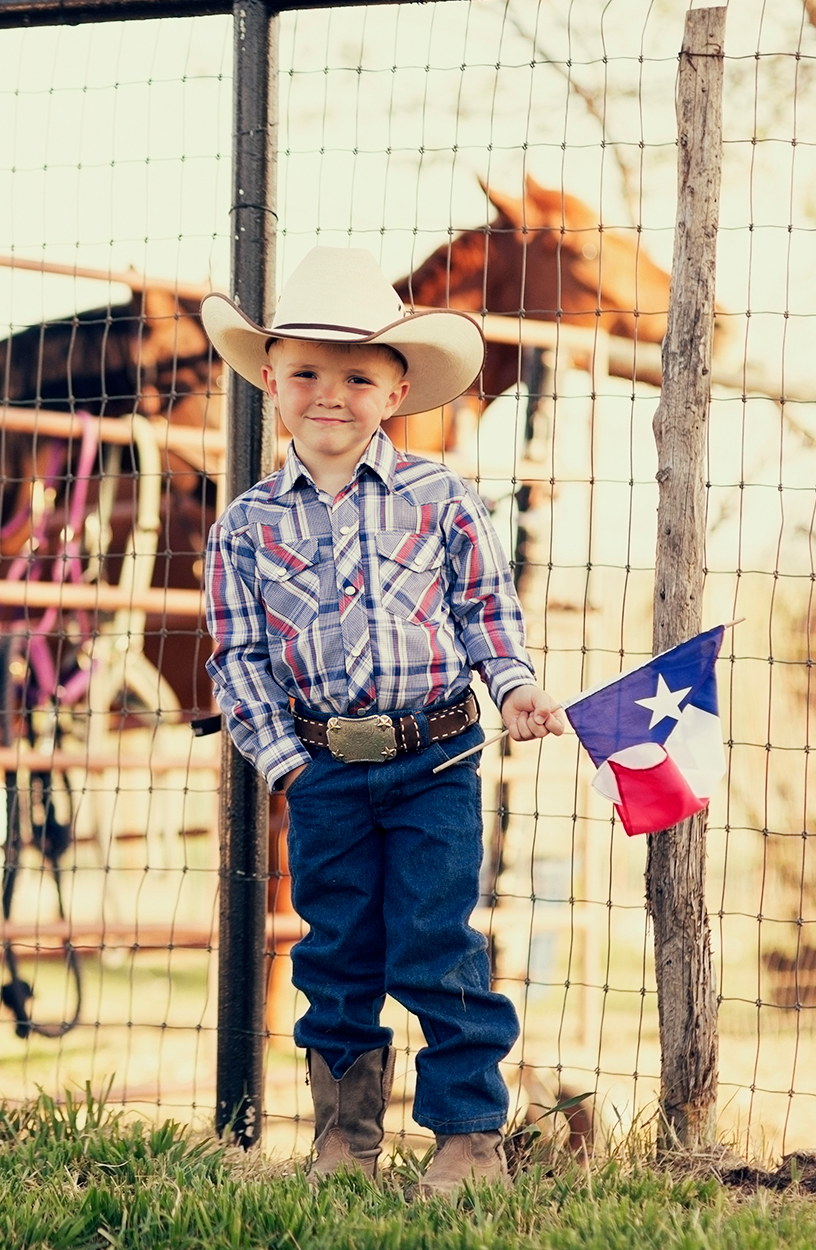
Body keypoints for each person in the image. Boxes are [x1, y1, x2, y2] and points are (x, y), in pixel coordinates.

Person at [200, 247, 564, 1196]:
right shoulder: (243, 527)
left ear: (397, 388)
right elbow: (237, 661)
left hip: (434, 760)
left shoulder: (442, 502)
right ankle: (342, 1135)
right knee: (336, 953)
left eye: (358, 376)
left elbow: (489, 616)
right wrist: (288, 765)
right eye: (308, 373)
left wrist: (515, 688)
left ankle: (468, 1137)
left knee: (438, 944)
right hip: (323, 775)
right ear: (270, 381)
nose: (332, 395)